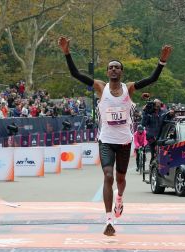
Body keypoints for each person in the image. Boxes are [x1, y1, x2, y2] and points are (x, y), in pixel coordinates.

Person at [58, 36, 172, 236]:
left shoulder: (129, 88)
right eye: (110, 67)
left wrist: (161, 61)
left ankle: (120, 199)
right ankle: (108, 220)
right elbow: (75, 73)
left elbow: (152, 79)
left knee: (121, 179)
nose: (113, 69)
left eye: (117, 67)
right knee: (108, 176)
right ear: (106, 71)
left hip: (124, 142)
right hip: (106, 141)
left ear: (121, 72)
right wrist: (67, 52)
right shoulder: (100, 87)